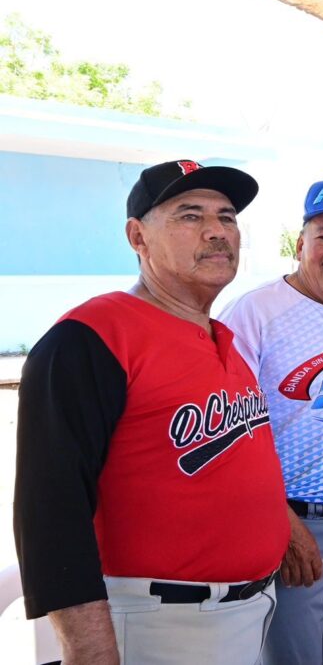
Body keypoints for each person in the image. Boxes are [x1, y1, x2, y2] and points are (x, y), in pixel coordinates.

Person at [14, 160, 289, 664]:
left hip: (247, 613)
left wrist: (283, 525)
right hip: (156, 622)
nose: (216, 231)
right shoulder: (91, 337)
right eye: (189, 216)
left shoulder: (222, 335)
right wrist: (89, 649)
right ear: (137, 237)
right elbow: (49, 512)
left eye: (227, 217)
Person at [218, 177, 323, 664]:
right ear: (299, 245)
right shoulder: (254, 313)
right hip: (293, 521)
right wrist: (284, 524)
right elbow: (231, 437)